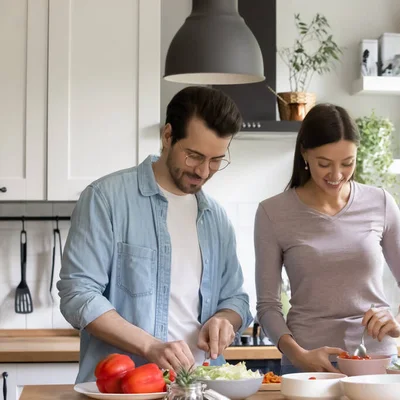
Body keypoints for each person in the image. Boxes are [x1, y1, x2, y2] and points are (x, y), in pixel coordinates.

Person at [57, 86, 253, 384]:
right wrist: (150, 346)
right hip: (126, 387)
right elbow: (78, 296)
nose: (203, 171)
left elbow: (235, 298)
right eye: (194, 156)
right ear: (167, 135)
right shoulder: (106, 199)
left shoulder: (216, 219)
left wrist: (225, 320)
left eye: (215, 160)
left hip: (200, 386)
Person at [254, 103, 400, 374]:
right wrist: (299, 355)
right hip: (306, 364)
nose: (336, 175)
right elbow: (267, 306)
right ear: (304, 153)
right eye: (324, 164)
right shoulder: (272, 212)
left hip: (375, 360)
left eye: (347, 163)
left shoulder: (380, 202)